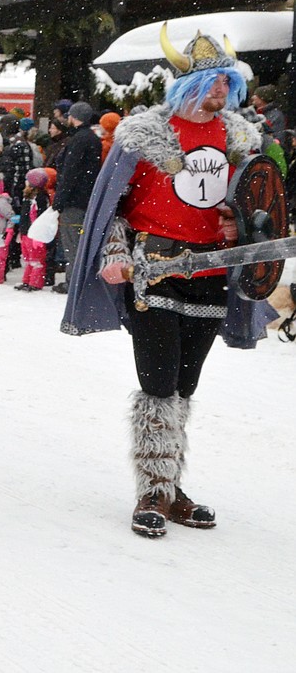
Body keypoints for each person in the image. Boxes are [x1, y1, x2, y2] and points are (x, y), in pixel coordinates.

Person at [62, 28, 273, 538]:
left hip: (212, 272)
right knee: (157, 381)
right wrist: (113, 251)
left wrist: (240, 224)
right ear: (185, 86)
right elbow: (109, 203)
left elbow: (259, 205)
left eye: (227, 82)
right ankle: (153, 490)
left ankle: (172, 487)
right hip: (154, 267)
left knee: (185, 383)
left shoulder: (241, 138)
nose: (221, 91)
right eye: (210, 81)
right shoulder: (143, 135)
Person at [50, 101, 101, 294]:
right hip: (87, 196)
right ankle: (79, 279)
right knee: (79, 241)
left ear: (74, 117)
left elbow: (70, 172)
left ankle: (74, 282)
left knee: (72, 243)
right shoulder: (92, 138)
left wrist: (60, 200)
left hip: (75, 199)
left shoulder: (79, 140)